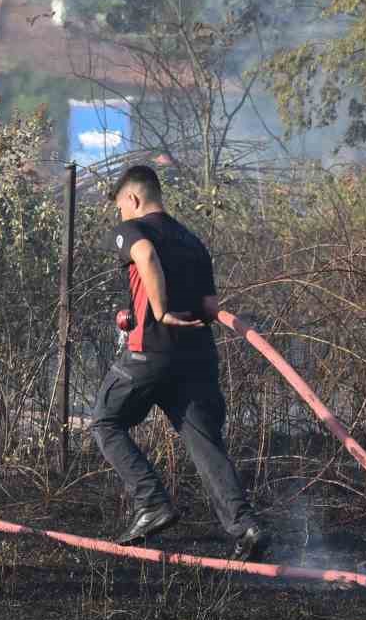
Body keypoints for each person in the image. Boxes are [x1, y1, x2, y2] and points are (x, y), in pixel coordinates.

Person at [88, 164, 269, 560]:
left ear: (133, 199)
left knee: (105, 420)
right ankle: (246, 526)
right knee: (205, 442)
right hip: (197, 353)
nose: (120, 216)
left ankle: (151, 503)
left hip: (151, 351)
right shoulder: (192, 241)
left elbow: (146, 256)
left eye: (121, 207)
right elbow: (209, 307)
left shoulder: (134, 230)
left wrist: (160, 309)